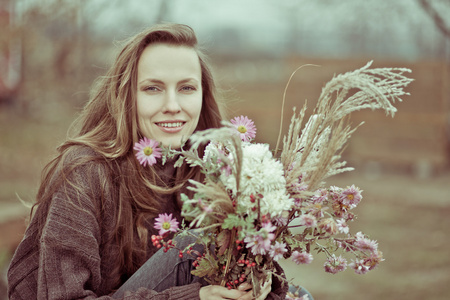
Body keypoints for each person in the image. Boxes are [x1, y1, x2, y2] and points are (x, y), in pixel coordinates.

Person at [6, 23, 294, 300]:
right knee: (191, 245)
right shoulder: (85, 173)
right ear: (126, 95)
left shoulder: (215, 166)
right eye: (152, 88)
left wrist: (259, 281)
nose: (172, 106)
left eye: (186, 88)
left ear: (202, 95)